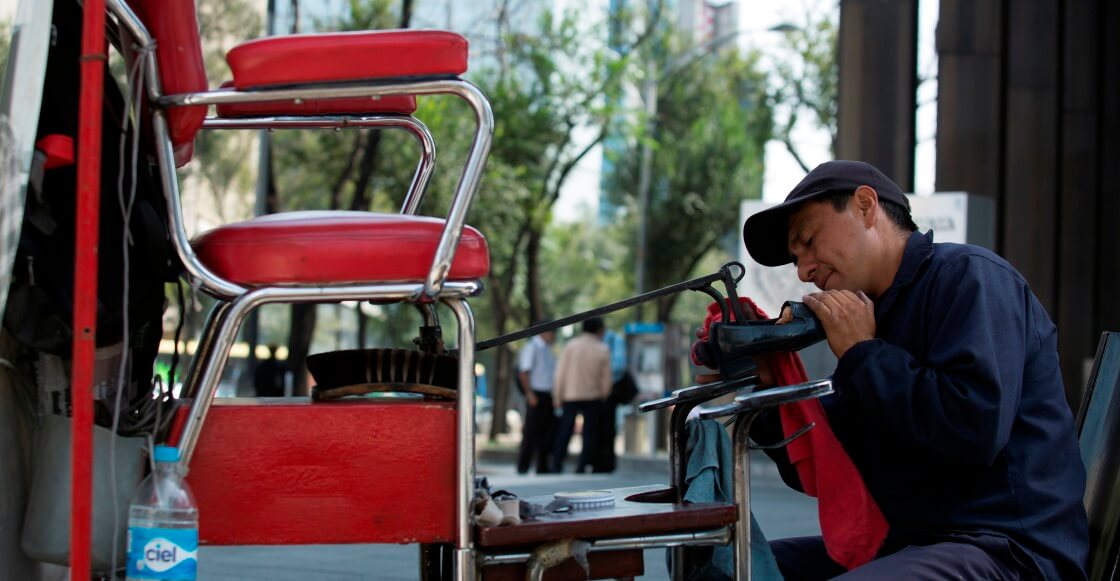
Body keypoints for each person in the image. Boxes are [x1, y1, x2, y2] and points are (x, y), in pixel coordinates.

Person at [729, 160, 1088, 580]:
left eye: (808, 241)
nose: (805, 270)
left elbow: (974, 429)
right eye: (796, 259)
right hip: (907, 542)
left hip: (1008, 548)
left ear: (865, 205)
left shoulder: (969, 277)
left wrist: (864, 354)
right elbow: (830, 460)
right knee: (736, 568)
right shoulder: (872, 317)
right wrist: (770, 401)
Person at [551, 317, 613, 473]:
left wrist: (557, 395)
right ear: (599, 330)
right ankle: (582, 465)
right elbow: (606, 378)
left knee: (565, 430)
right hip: (593, 396)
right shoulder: (602, 349)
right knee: (589, 433)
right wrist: (604, 395)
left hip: (570, 394)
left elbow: (560, 373)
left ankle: (556, 463)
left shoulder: (570, 346)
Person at [516, 329, 557, 474]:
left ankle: (543, 466)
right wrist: (529, 393)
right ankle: (523, 466)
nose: (553, 335)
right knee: (531, 432)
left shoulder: (547, 349)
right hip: (536, 393)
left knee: (546, 432)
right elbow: (523, 372)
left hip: (547, 394)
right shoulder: (531, 347)